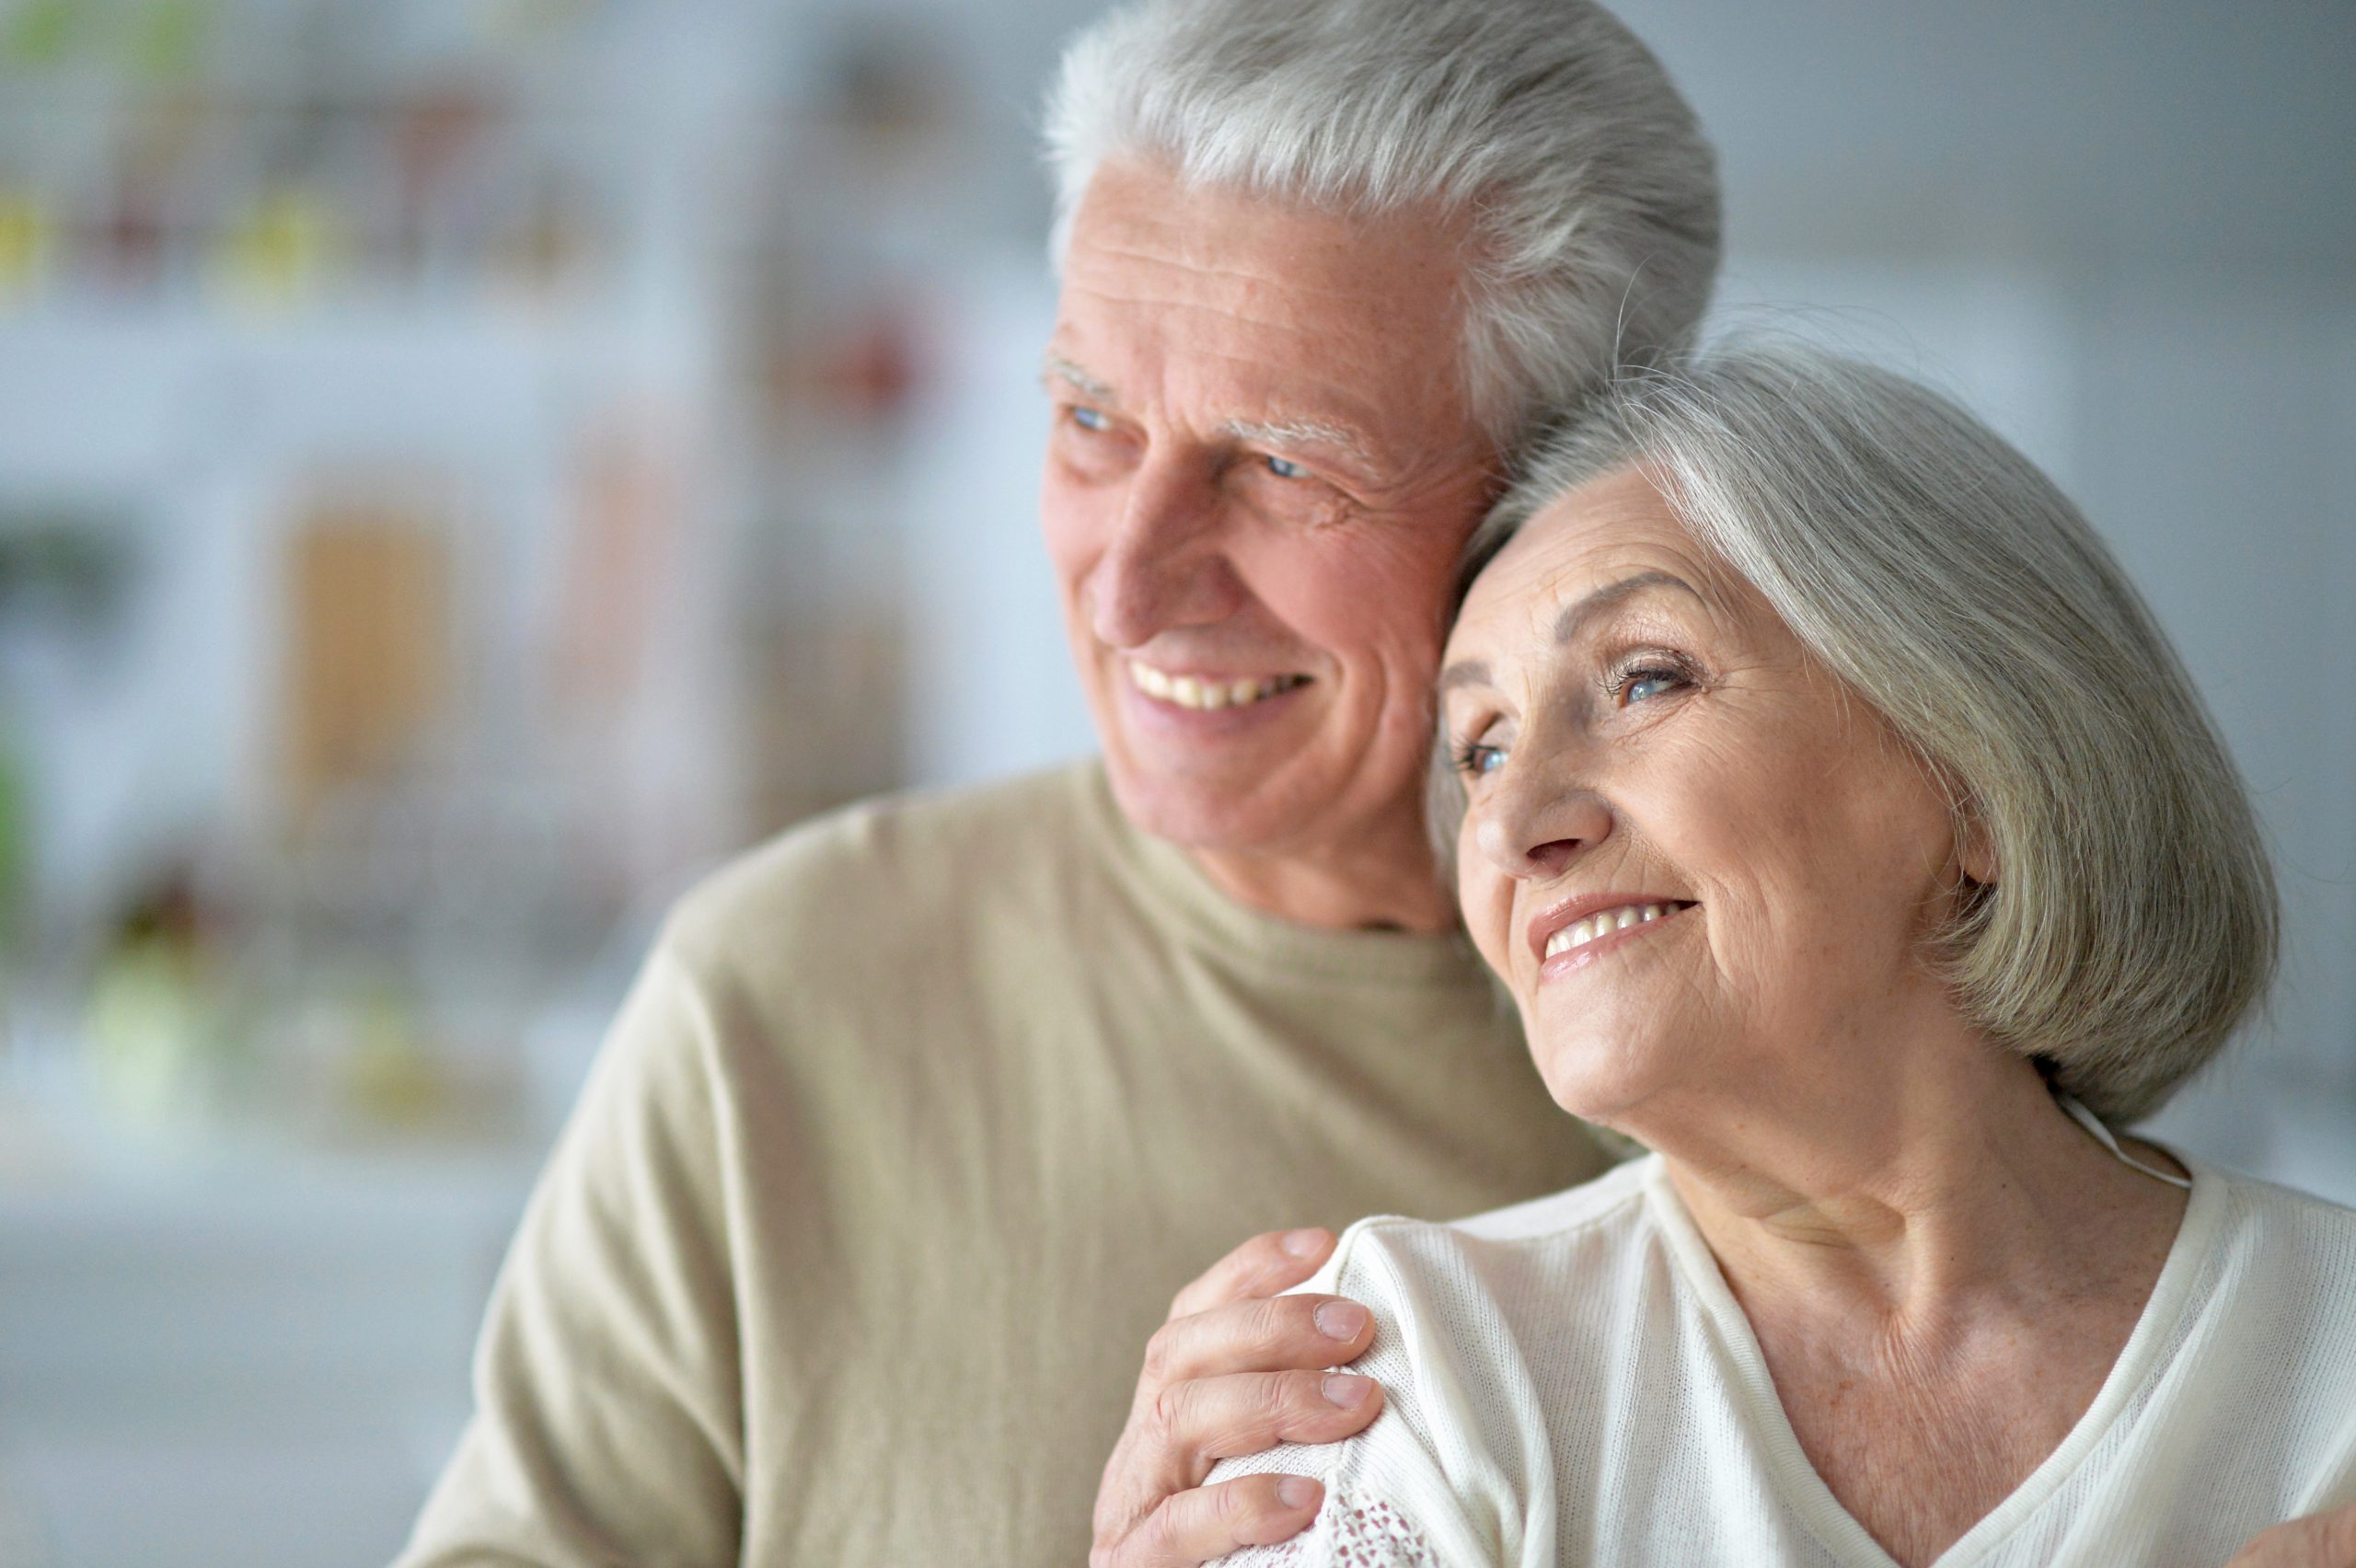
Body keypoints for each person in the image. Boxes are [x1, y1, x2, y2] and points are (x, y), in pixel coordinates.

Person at [392, 1, 1722, 1563]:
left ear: (1560, 506)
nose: (1128, 589)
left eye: (1285, 466)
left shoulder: (1764, 1055)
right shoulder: (777, 1005)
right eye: (1092, 419)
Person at [1170, 342, 2356, 1566]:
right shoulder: (1413, 1359)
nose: (1518, 827)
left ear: (1979, 779)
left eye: (1645, 678)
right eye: (1481, 748)